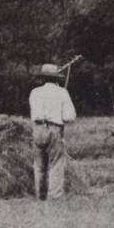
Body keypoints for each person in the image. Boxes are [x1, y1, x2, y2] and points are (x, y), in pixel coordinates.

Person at [29, 63, 76, 199]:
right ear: (56, 78)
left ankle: (40, 195)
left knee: (39, 164)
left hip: (37, 128)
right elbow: (69, 116)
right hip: (54, 129)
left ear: (43, 78)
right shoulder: (62, 92)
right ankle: (54, 196)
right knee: (55, 163)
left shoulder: (34, 92)